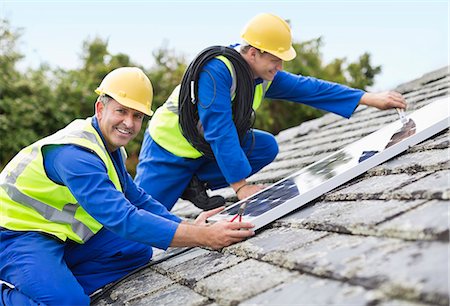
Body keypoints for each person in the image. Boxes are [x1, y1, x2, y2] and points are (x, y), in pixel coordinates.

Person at [0, 67, 254, 306]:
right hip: (16, 237)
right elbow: (123, 218)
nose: (129, 123)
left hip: (56, 237)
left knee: (136, 250)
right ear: (100, 108)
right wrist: (205, 237)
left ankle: (54, 283)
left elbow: (138, 200)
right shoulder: (75, 156)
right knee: (72, 303)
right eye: (121, 111)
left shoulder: (109, 149)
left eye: (137, 116)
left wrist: (186, 226)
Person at [134, 13, 407, 211]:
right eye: (275, 60)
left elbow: (309, 88)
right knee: (138, 224)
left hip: (202, 152)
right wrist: (241, 187)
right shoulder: (217, 70)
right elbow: (219, 128)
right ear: (253, 52)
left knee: (264, 146)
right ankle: (184, 182)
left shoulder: (262, 75)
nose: (279, 67)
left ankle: (193, 181)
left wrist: (369, 98)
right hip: (168, 152)